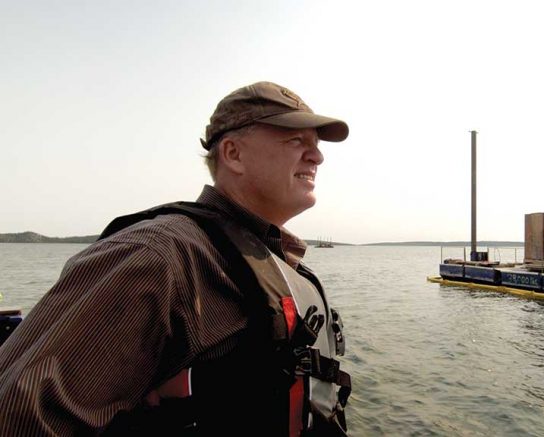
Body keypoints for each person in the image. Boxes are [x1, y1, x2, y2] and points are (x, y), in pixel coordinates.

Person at [0, 82, 352, 436]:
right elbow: (19, 414)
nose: (317, 157)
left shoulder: (275, 259)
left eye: (316, 147)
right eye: (296, 142)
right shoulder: (160, 255)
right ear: (233, 154)